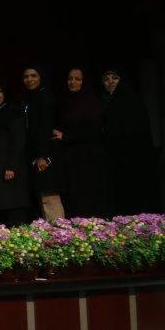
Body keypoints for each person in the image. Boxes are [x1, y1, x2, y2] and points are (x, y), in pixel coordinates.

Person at [100, 68, 156, 215]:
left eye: (114, 78)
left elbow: (135, 131)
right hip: (115, 160)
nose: (110, 82)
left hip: (133, 159)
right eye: (106, 79)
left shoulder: (131, 101)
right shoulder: (106, 101)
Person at [54, 67, 108, 218]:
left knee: (86, 195)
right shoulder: (63, 101)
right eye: (70, 79)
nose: (73, 82)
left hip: (88, 156)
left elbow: (94, 129)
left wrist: (67, 137)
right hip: (68, 157)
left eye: (77, 79)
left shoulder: (91, 102)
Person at [0, 81, 30, 225]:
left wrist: (11, 166)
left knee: (13, 209)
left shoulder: (14, 112)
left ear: (4, 93)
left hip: (9, 170)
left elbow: (18, 141)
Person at [22, 64, 64, 220]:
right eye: (26, 76)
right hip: (36, 153)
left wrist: (42, 155)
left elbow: (46, 126)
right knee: (41, 195)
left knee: (49, 195)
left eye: (33, 75)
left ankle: (59, 231)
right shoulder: (30, 97)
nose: (29, 79)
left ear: (41, 77)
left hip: (46, 153)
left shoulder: (45, 96)